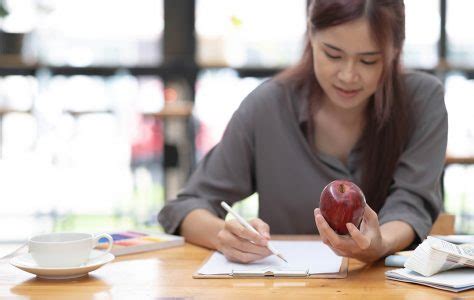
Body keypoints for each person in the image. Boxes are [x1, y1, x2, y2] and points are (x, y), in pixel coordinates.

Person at [158, 0, 447, 264]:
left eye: (368, 60)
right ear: (311, 34)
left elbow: (412, 203)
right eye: (333, 55)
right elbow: (185, 207)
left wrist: (380, 243)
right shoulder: (269, 105)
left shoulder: (422, 101)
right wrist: (225, 235)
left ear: (396, 50)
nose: (348, 75)